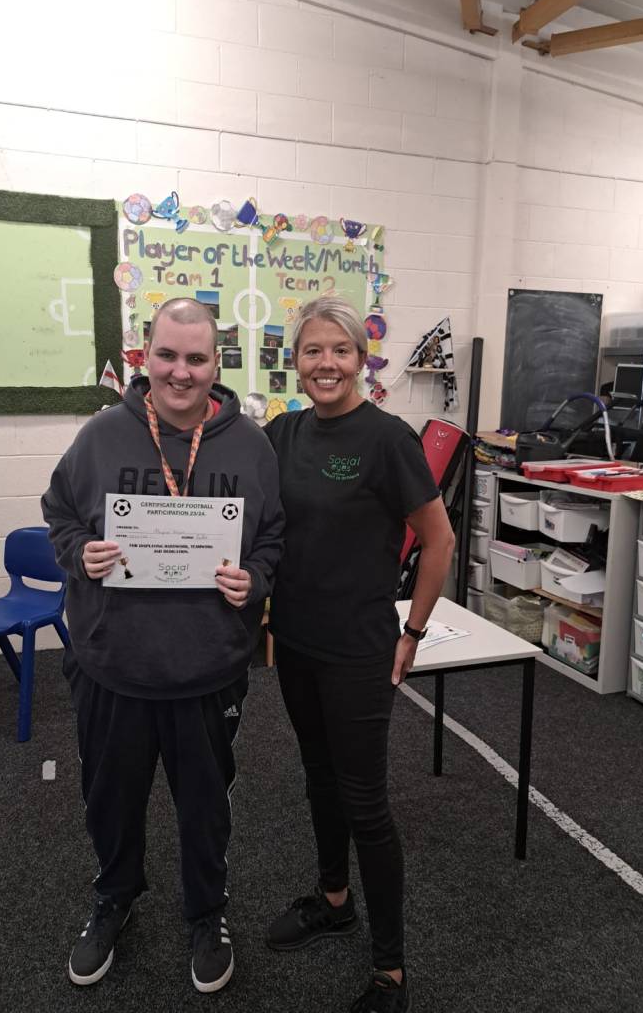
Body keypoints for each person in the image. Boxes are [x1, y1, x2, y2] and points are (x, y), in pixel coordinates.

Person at [41, 297, 284, 994]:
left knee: (205, 808)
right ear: (146, 357)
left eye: (197, 358)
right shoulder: (101, 436)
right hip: (112, 664)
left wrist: (256, 578)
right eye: (168, 356)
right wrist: (80, 552)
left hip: (208, 668)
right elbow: (59, 513)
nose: (181, 372)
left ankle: (207, 913)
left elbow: (273, 536)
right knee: (110, 800)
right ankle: (113, 899)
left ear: (216, 364)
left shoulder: (250, 446)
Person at [263, 295, 455, 1013]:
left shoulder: (387, 439)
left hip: (358, 653)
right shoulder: (282, 434)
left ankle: (390, 972)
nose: (326, 364)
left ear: (361, 359)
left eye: (339, 350)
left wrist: (413, 633)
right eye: (313, 351)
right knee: (319, 780)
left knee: (365, 803)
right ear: (296, 361)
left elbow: (439, 540)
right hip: (296, 644)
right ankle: (334, 900)